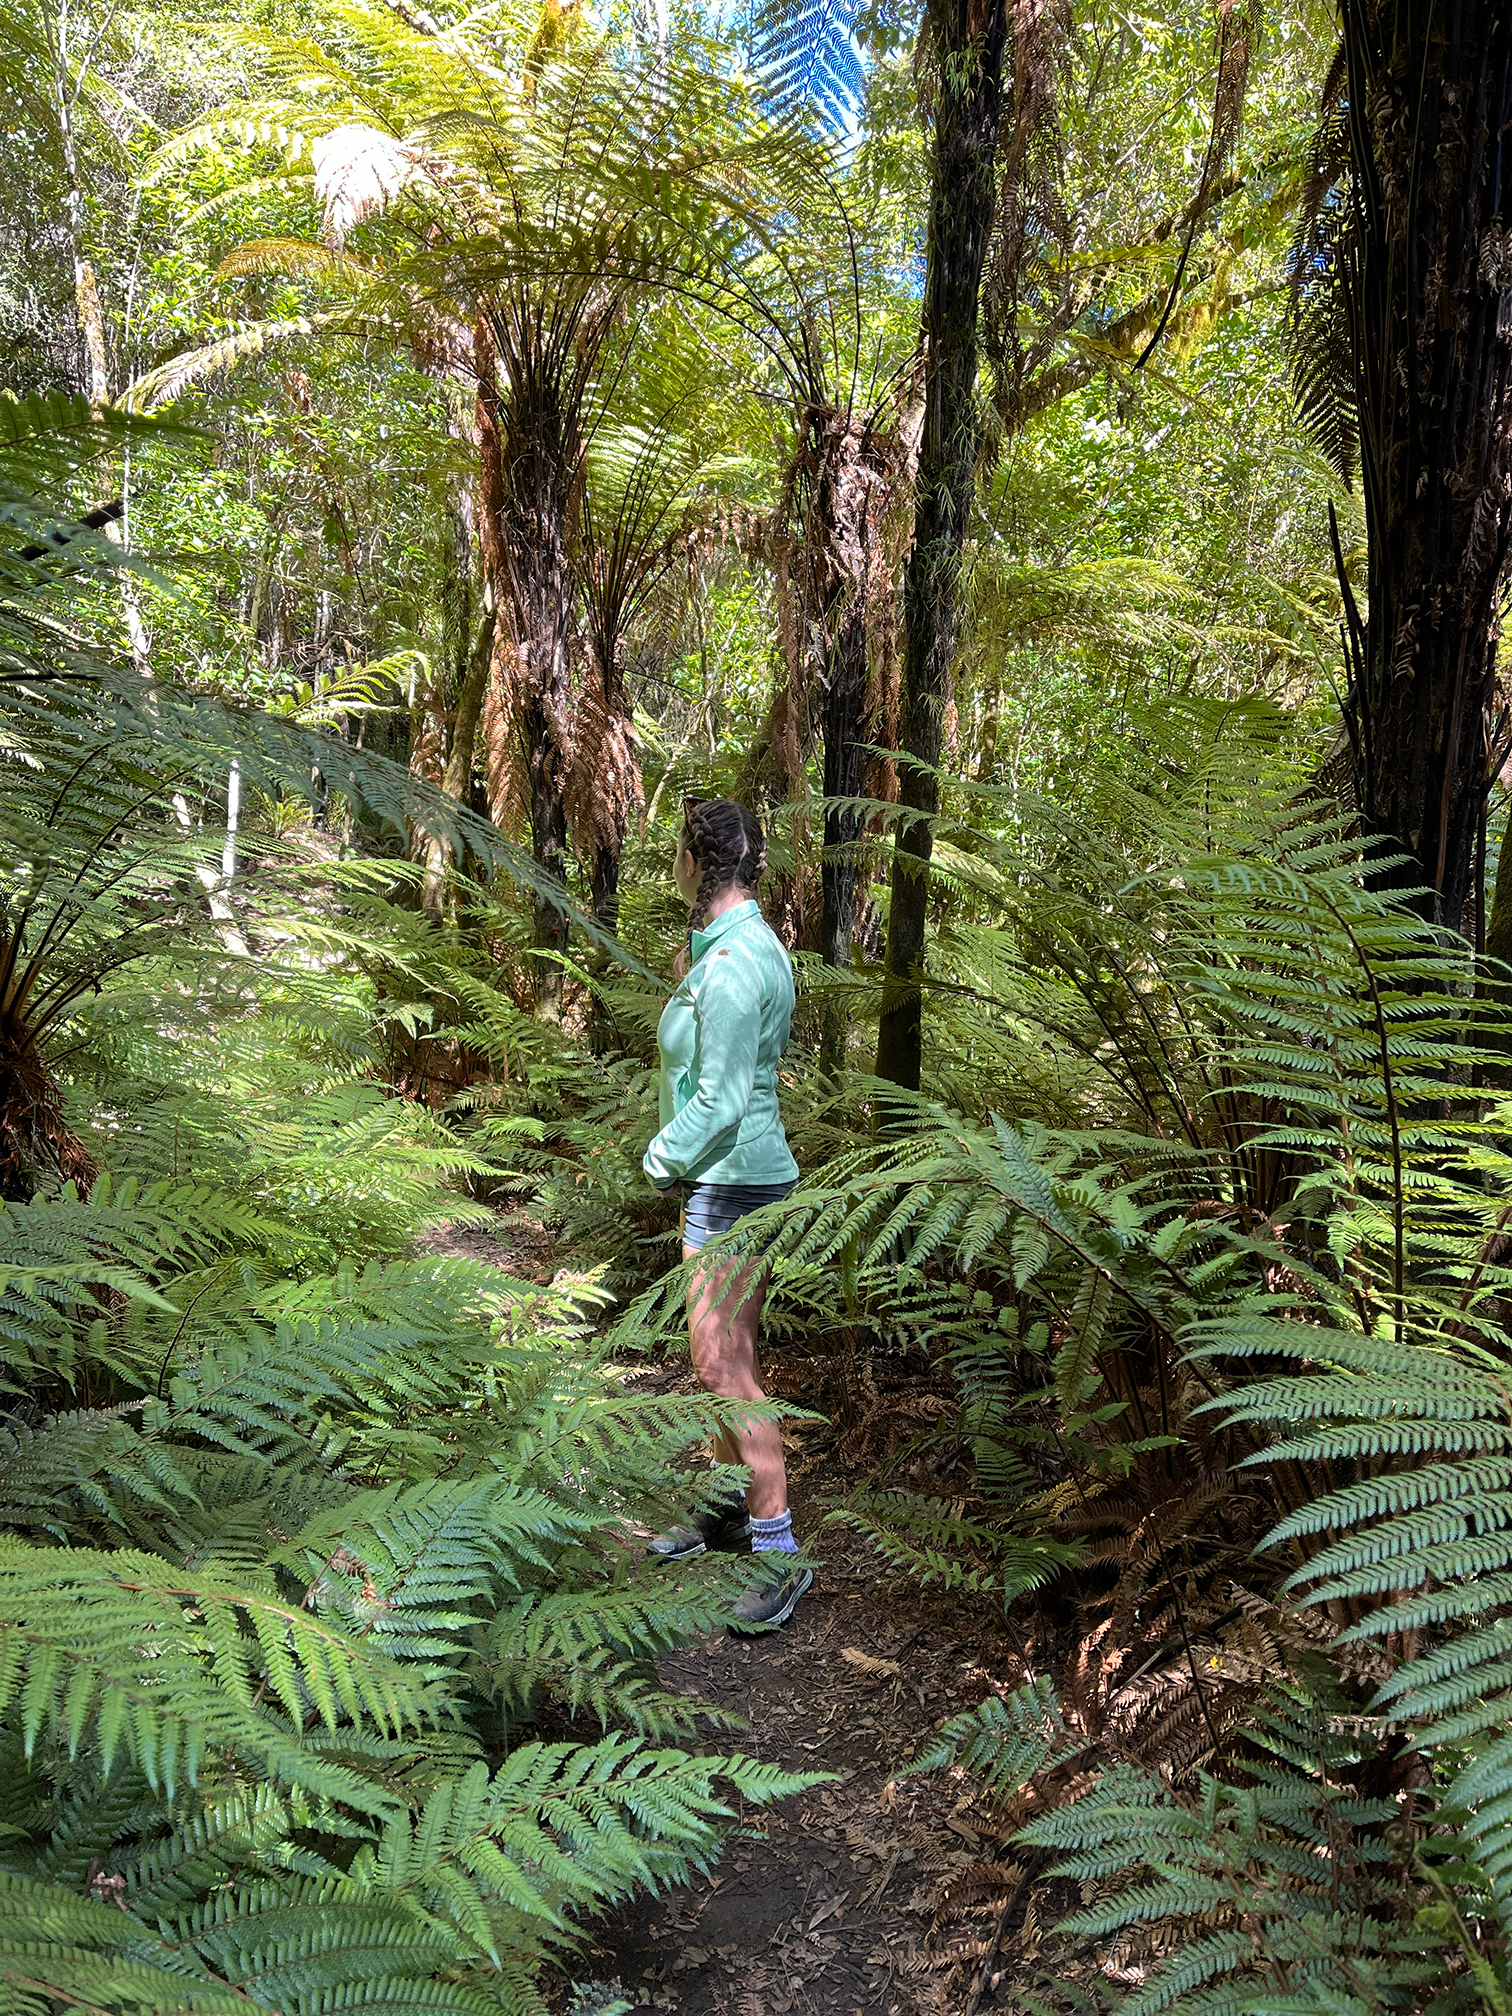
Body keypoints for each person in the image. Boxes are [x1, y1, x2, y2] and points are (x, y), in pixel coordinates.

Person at [642, 796, 811, 1631]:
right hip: (730, 1180)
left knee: (723, 1373)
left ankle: (779, 1551)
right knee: (722, 1361)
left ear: (692, 860)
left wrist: (659, 1157)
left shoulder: (741, 960)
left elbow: (723, 1099)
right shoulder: (729, 948)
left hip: (731, 1182)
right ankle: (725, 1509)